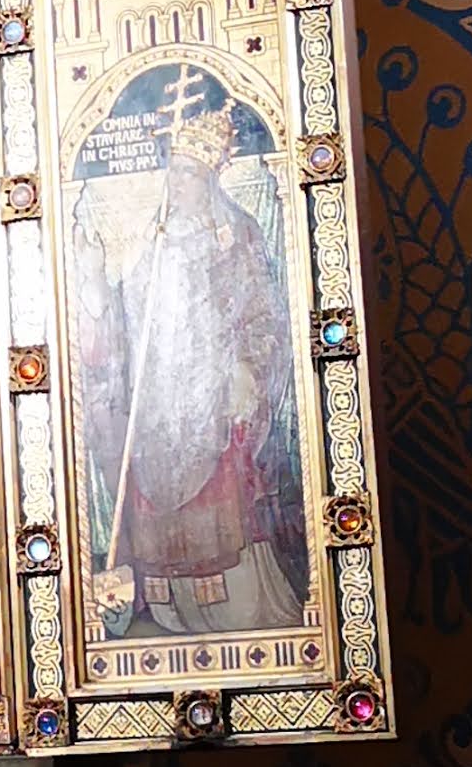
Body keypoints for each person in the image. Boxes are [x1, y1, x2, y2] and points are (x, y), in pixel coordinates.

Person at [69, 76, 308, 633]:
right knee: (154, 503)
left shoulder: (236, 235)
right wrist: (95, 281)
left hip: (211, 402)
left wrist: (246, 369)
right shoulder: (150, 243)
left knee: (221, 502)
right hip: (156, 407)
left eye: (189, 174)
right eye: (173, 172)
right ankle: (168, 606)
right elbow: (123, 326)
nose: (177, 183)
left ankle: (235, 609)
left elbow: (262, 313)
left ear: (209, 180)